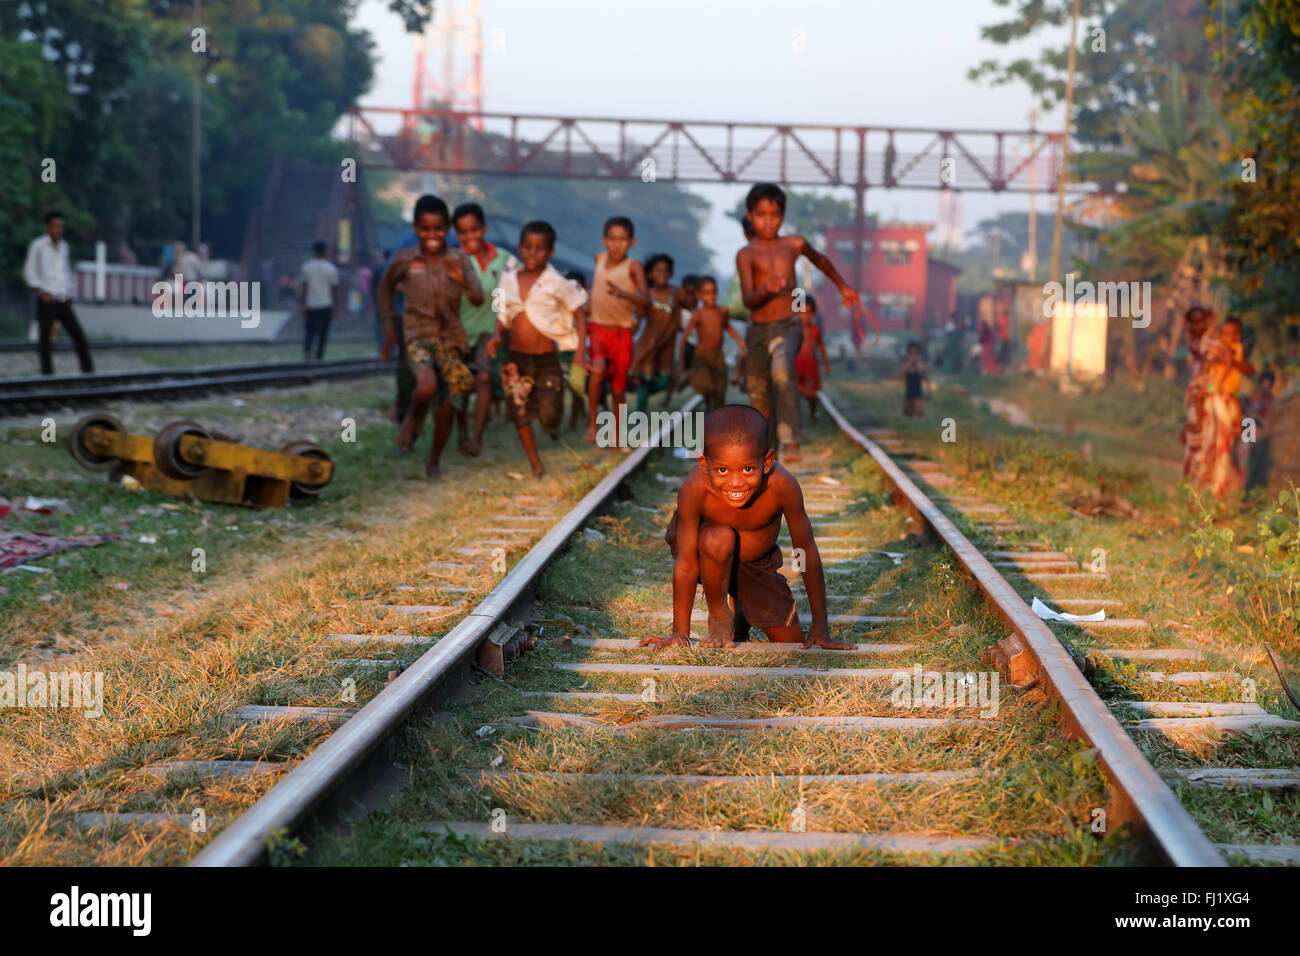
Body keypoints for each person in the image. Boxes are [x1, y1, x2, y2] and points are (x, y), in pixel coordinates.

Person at [639, 404, 852, 651]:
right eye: (722, 470)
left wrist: (820, 626)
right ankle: (719, 615)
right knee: (718, 538)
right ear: (703, 463)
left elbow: (804, 551)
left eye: (748, 469)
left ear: (767, 461)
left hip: (756, 566)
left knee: (791, 643)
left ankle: (740, 610)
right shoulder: (694, 490)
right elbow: (686, 562)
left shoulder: (782, 486)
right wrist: (679, 633)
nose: (736, 482)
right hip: (707, 555)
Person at [735, 183, 861, 462]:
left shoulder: (793, 245)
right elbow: (747, 299)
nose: (768, 222)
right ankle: (766, 451)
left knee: (782, 373)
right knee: (759, 393)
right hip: (758, 331)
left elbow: (821, 260)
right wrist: (766, 289)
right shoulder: (746, 255)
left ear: (782, 215)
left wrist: (843, 287)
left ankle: (790, 437)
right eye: (761, 215)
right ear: (751, 215)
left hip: (787, 326)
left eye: (775, 214)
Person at [378, 195, 483, 479]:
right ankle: (412, 417)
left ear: (448, 228)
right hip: (417, 335)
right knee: (425, 386)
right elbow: (385, 288)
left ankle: (433, 460)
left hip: (449, 339)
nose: (432, 235)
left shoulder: (459, 259)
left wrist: (460, 279)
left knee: (448, 404)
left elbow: (477, 297)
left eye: (439, 229)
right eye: (425, 229)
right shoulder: (405, 259)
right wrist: (389, 327)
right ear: (415, 228)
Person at [487, 221, 589, 478]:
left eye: (540, 249)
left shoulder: (557, 282)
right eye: (528, 247)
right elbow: (500, 313)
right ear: (520, 248)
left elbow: (580, 314)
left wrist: (579, 352)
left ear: (550, 252)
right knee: (519, 410)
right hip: (515, 358)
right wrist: (496, 335)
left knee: (548, 413)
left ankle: (552, 425)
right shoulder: (508, 280)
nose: (533, 254)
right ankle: (535, 463)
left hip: (546, 359)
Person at [452, 202, 519, 456]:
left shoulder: (506, 260)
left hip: (490, 332)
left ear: (484, 228)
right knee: (459, 386)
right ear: (457, 234)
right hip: (459, 331)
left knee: (483, 378)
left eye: (474, 230)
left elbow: (513, 293)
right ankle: (461, 433)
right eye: (463, 232)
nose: (470, 237)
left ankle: (476, 437)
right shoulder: (453, 260)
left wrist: (503, 329)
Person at [586, 216, 648, 445]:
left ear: (632, 242)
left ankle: (617, 432)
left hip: (621, 334)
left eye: (623, 240)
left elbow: (646, 300)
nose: (617, 245)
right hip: (597, 328)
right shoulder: (598, 259)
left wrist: (623, 294)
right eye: (612, 239)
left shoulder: (634, 267)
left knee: (618, 389)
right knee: (597, 371)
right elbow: (597, 287)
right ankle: (593, 425)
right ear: (604, 240)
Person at [23, 211, 94, 376]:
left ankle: (89, 373)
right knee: (46, 342)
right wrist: (40, 290)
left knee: (79, 336)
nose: (58, 230)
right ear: (47, 227)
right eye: (55, 226)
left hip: (63, 299)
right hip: (47, 299)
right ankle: (47, 375)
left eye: (60, 227)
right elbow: (29, 271)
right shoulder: (38, 245)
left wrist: (69, 291)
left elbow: (65, 272)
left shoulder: (64, 247)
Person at [1204, 316, 1255, 500]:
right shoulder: (1222, 349)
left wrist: (1225, 368)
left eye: (1229, 334)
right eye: (1223, 333)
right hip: (1219, 397)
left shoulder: (1235, 350)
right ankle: (1215, 487)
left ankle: (1221, 487)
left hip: (1231, 399)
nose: (1226, 337)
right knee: (1219, 442)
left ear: (1238, 335)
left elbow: (1242, 368)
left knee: (1228, 444)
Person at [679, 275, 745, 413]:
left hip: (718, 355)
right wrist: (682, 363)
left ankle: (716, 414)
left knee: (720, 387)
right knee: (707, 385)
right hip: (702, 355)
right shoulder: (698, 314)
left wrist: (740, 342)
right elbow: (684, 338)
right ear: (699, 295)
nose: (711, 297)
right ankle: (703, 398)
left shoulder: (721, 311)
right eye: (707, 293)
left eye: (714, 292)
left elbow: (728, 327)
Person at [629, 253, 680, 413]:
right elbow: (637, 319)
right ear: (650, 274)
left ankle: (644, 392)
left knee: (664, 380)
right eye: (658, 271)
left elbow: (690, 305)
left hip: (667, 342)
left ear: (670, 273)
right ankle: (640, 416)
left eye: (666, 271)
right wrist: (627, 335)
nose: (662, 274)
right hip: (649, 342)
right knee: (644, 377)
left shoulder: (677, 292)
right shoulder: (646, 295)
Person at [1181, 306, 1218, 491]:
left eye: (1200, 321)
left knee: (1203, 447)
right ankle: (1192, 491)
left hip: (1205, 401)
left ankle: (1202, 491)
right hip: (1196, 400)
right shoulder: (1195, 344)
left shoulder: (1209, 345)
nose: (1196, 325)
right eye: (1192, 321)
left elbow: (1208, 381)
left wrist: (1199, 403)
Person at [300, 240, 340, 360]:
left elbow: (304, 288)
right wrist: (336, 306)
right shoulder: (331, 268)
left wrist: (302, 304)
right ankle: (320, 356)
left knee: (309, 331)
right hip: (325, 304)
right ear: (325, 252)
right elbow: (334, 289)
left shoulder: (306, 267)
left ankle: (307, 351)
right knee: (324, 333)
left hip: (311, 304)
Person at [793, 296, 830, 422]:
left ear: (813, 314)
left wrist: (826, 365)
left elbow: (821, 347)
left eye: (809, 313)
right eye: (802, 313)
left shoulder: (815, 330)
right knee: (794, 393)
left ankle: (813, 413)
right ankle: (795, 417)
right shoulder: (794, 330)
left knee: (812, 395)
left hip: (810, 366)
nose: (805, 316)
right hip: (797, 365)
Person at [1243, 370, 1276, 495]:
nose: (1266, 388)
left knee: (1263, 473)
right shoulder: (1255, 400)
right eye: (1264, 385)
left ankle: (1259, 498)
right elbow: (1248, 421)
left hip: (1266, 443)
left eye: (1268, 386)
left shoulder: (1273, 402)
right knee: (1251, 472)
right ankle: (1247, 497)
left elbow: (1272, 422)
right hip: (1252, 443)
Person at [901, 340, 927, 417]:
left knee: (919, 410)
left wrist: (929, 390)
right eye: (911, 354)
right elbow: (902, 374)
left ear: (919, 355)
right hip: (909, 391)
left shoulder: (921, 366)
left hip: (918, 392)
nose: (914, 356)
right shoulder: (907, 365)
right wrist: (910, 363)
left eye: (916, 354)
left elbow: (926, 379)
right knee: (908, 411)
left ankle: (919, 415)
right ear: (908, 354)